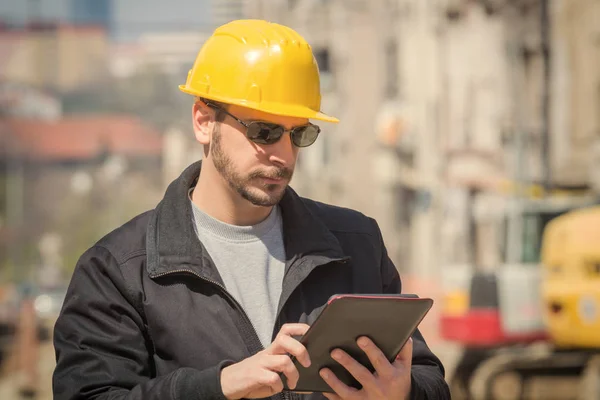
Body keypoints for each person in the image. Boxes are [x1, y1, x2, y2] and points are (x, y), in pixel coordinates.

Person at [52, 19, 451, 400]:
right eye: (264, 131)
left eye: (299, 134)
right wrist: (219, 386)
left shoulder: (356, 245)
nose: (282, 154)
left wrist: (405, 393)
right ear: (204, 121)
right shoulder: (118, 271)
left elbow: (429, 379)